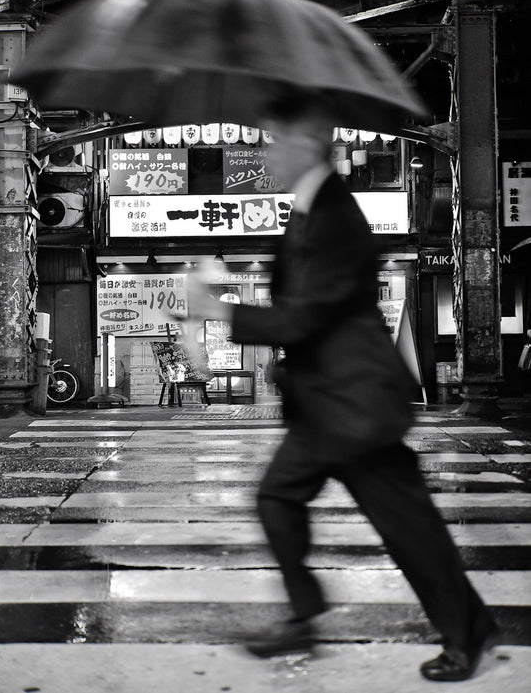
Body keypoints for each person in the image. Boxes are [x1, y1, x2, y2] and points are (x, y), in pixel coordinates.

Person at [186, 87, 499, 682]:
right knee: (278, 500)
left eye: (274, 141)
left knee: (408, 529)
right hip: (323, 405)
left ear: (307, 143)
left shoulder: (335, 217)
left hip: (354, 407)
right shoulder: (309, 210)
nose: (265, 154)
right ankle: (305, 615)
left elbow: (306, 317)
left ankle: (467, 634)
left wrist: (220, 310)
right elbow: (302, 309)